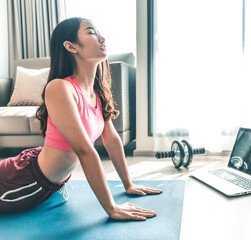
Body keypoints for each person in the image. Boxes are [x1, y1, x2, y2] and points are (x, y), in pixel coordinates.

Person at [0, 17, 162, 220]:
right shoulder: (60, 88)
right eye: (92, 33)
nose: (102, 38)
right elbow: (85, 150)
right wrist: (111, 208)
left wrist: (127, 184)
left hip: (48, 181)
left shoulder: (97, 92)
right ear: (70, 46)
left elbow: (111, 141)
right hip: (24, 180)